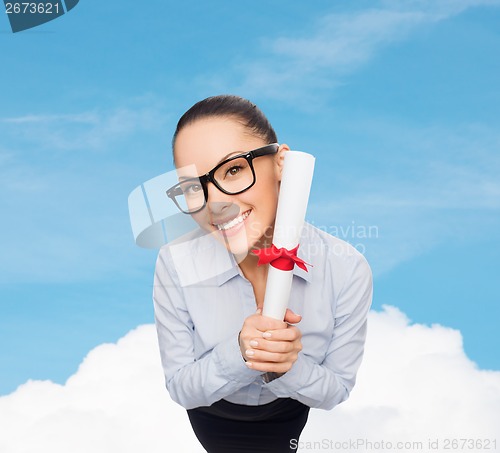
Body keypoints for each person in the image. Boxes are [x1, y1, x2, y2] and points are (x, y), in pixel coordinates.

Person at [153, 95, 373, 452]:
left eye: (234, 169)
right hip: (212, 415)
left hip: (284, 416)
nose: (215, 203)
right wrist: (241, 353)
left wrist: (287, 368)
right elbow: (181, 386)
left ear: (281, 163)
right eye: (194, 187)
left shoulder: (346, 269)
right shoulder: (176, 262)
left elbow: (336, 389)